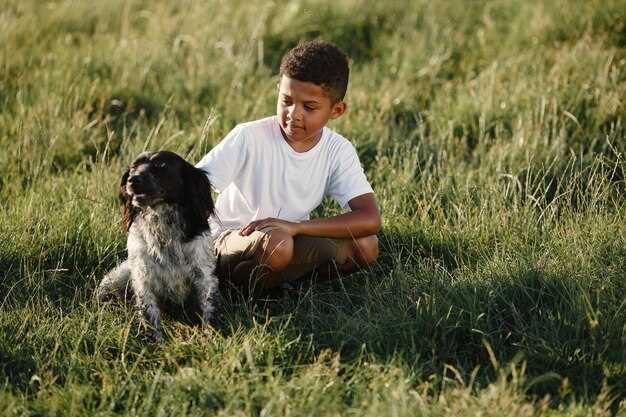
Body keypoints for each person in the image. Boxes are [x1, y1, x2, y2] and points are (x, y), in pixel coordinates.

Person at [195, 40, 381, 292]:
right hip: (227, 241)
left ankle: (282, 287)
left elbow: (370, 218)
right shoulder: (249, 137)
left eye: (309, 107)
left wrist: (298, 226)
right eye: (287, 101)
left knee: (366, 246)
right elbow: (192, 190)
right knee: (279, 243)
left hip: (287, 239)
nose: (294, 114)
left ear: (336, 110)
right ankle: (235, 294)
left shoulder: (337, 150)